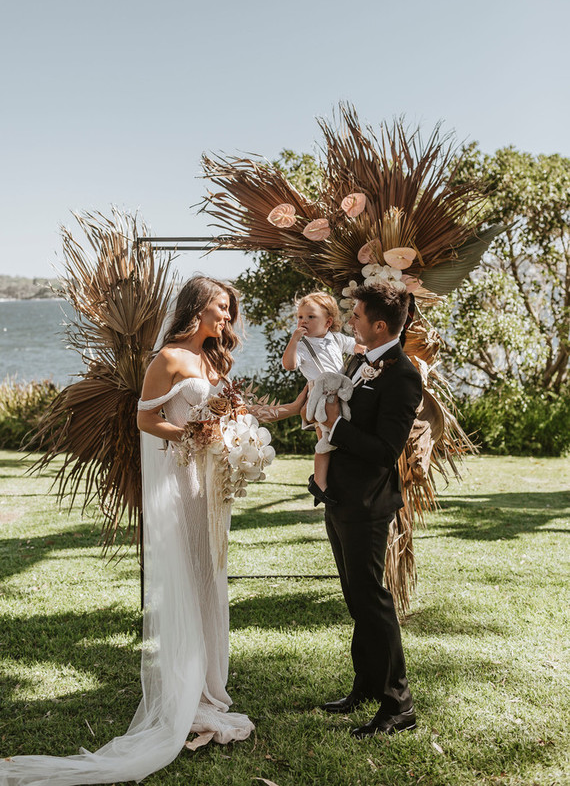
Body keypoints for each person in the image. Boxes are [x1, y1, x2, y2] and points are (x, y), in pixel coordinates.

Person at [0, 275, 305, 786]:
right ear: (196, 309)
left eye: (229, 311)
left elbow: (236, 412)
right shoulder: (167, 359)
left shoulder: (213, 360)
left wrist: (289, 411)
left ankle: (209, 691)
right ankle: (185, 695)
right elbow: (146, 422)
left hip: (211, 488)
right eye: (219, 309)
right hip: (182, 484)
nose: (226, 318)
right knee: (188, 581)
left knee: (210, 579)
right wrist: (197, 434)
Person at [316, 281, 422, 738]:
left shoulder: (403, 375)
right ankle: (366, 683)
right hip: (339, 496)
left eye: (356, 315)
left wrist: (336, 425)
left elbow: (385, 449)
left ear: (380, 325)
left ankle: (398, 703)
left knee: (372, 601)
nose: (351, 321)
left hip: (368, 503)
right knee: (355, 597)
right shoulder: (361, 358)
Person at [282, 291, 362, 502]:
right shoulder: (301, 346)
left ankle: (328, 480)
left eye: (310, 317)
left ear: (328, 322)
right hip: (320, 397)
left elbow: (356, 347)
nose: (304, 321)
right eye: (300, 317)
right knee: (324, 442)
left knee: (337, 439)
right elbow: (289, 365)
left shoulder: (335, 338)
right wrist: (293, 340)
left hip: (340, 393)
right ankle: (320, 483)